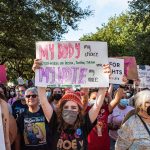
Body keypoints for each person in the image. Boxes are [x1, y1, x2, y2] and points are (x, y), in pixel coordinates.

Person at [33, 59, 111, 150]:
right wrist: (38, 74)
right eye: (66, 107)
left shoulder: (84, 123)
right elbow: (43, 101)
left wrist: (105, 78)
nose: (69, 110)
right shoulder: (55, 122)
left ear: (79, 110)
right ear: (61, 109)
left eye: (73, 107)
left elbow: (97, 105)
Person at [87, 78, 127, 150]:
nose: (97, 101)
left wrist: (122, 85)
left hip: (104, 145)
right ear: (88, 100)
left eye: (99, 98)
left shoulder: (106, 109)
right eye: (94, 98)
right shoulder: (86, 110)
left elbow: (116, 100)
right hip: (89, 145)